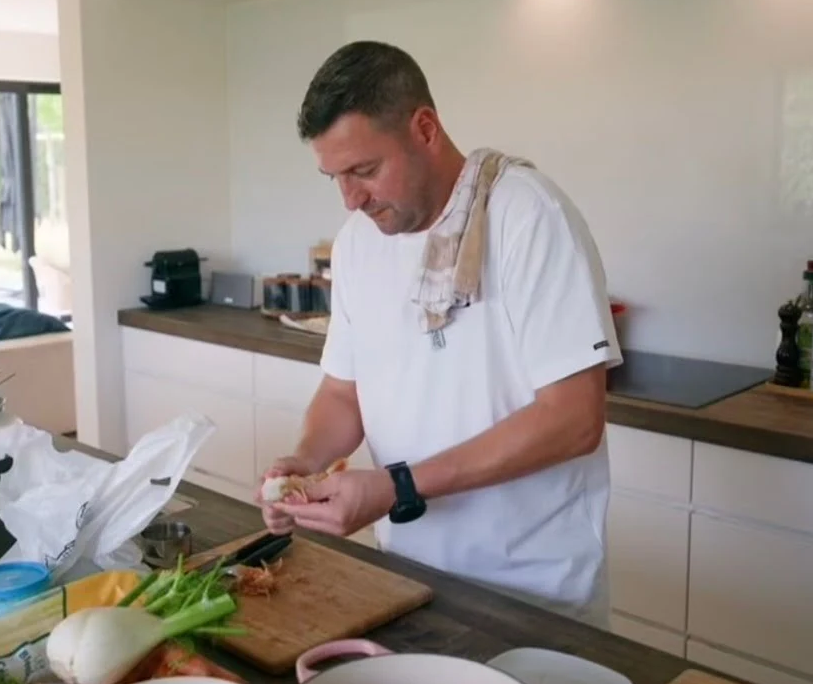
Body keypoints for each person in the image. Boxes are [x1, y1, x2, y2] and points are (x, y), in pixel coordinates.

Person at [256, 40, 623, 628]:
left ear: (424, 128)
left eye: (365, 170)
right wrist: (303, 462)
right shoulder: (356, 244)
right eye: (335, 177)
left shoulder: (527, 217)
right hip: (404, 579)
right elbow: (343, 393)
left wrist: (399, 487)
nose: (351, 198)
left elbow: (574, 419)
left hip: (534, 596)